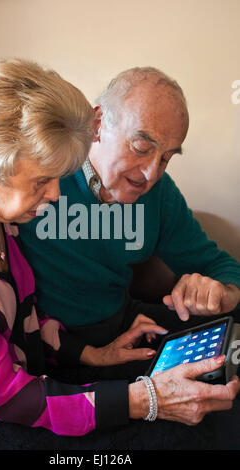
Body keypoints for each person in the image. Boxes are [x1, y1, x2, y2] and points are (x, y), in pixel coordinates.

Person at [0, 61, 239, 451]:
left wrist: (95, 356)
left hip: (65, 355)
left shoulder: (1, 219)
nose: (54, 196)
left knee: (217, 384)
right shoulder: (0, 205)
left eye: (166, 158)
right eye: (142, 147)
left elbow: (27, 323)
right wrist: (144, 399)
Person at [19, 67, 240, 432]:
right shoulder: (42, 174)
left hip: (127, 327)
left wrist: (221, 294)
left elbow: (219, 265)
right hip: (55, 348)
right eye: (142, 147)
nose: (152, 173)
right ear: (98, 122)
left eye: (167, 157)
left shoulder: (160, 194)